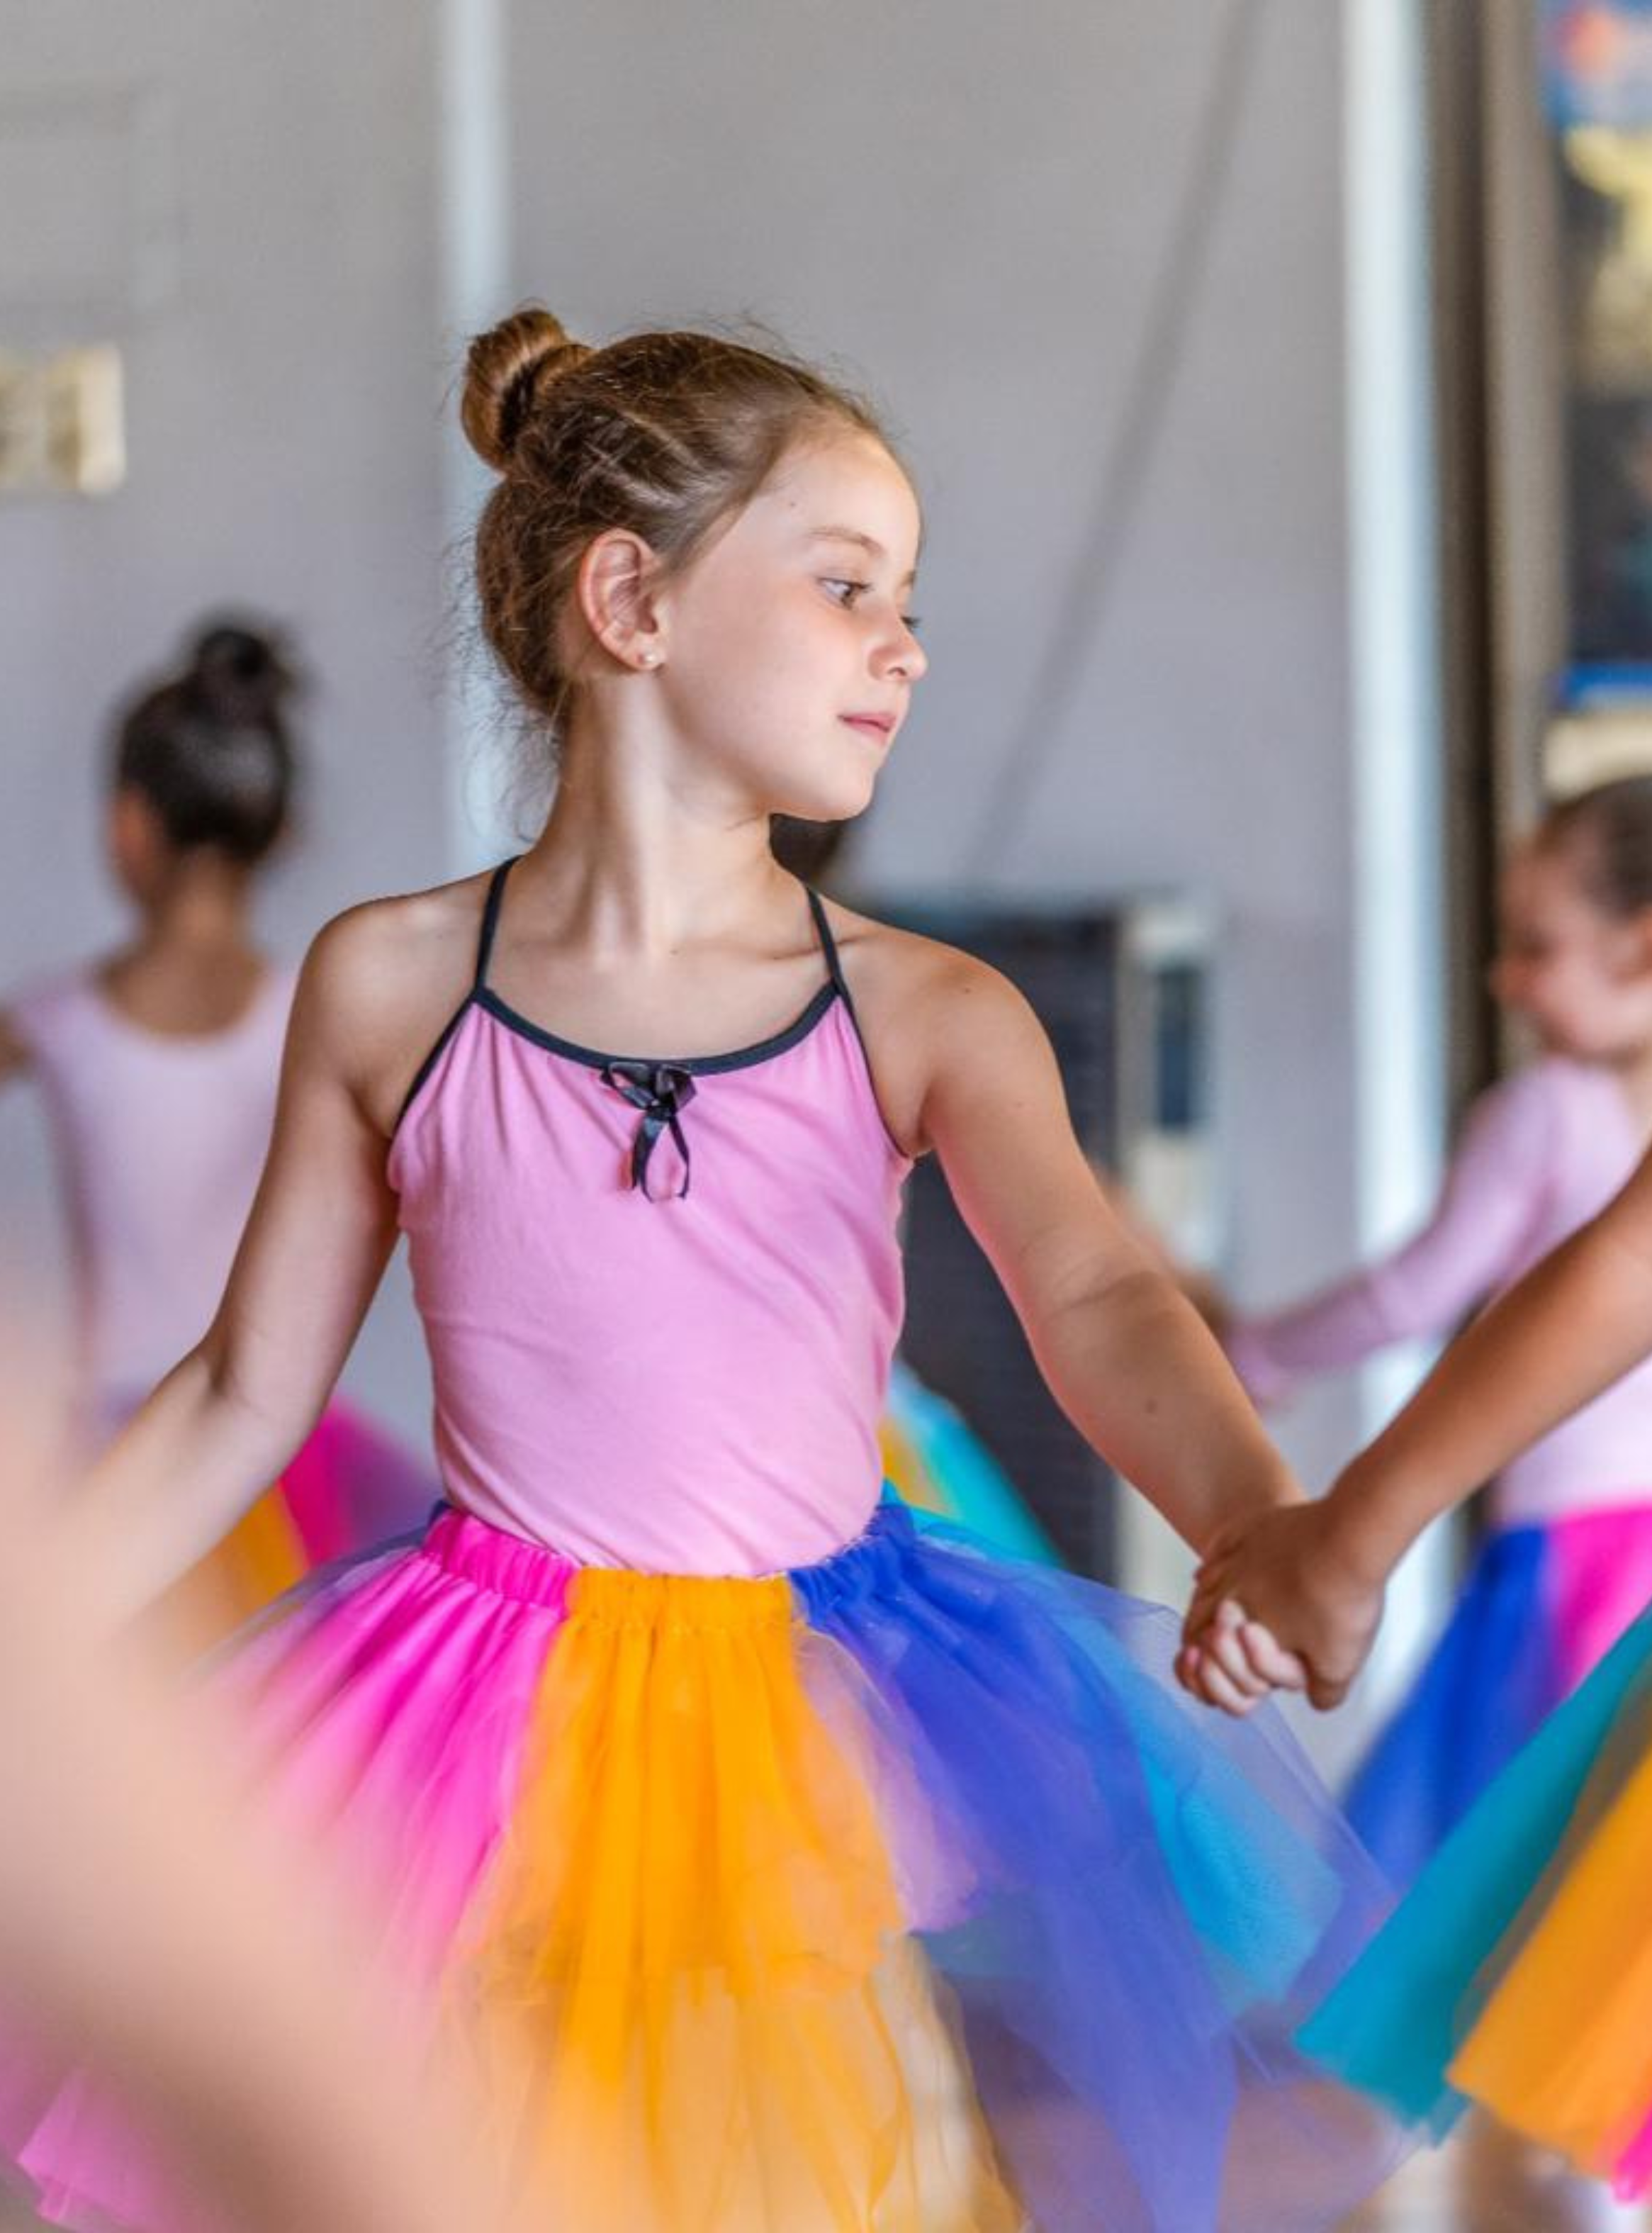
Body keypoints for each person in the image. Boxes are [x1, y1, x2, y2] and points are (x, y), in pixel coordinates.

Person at [6, 310, 1400, 2233]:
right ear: (630, 601)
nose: (901, 643)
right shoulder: (392, 982)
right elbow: (245, 1384)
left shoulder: (925, 1008)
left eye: (907, 598)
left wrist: (1249, 1512)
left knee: (811, 2167)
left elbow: (1097, 1296)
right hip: (477, 1704)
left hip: (804, 1704)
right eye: (846, 586)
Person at [1210, 780, 1652, 1881]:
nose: (1504, 978)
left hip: (1569, 1556)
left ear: (1639, 948)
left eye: (1532, 945)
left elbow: (1411, 1296)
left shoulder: (1545, 1108)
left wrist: (1254, 1352)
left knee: (1510, 1880)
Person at [0, 620, 429, 1630]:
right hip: (281, 1463)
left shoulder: (52, 1021)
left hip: (110, 1456)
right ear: (280, 831)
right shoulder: (319, 1013)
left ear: (128, 827)